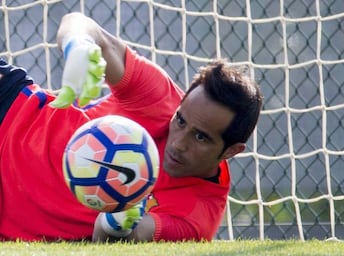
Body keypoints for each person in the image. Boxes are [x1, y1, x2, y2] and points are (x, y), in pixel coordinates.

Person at [0, 12, 262, 242]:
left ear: (231, 151)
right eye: (180, 121)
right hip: (9, 109)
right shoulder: (159, 97)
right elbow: (78, 22)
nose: (179, 142)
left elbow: (121, 238)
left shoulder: (198, 214)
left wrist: (115, 223)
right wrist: (79, 44)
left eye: (201, 138)